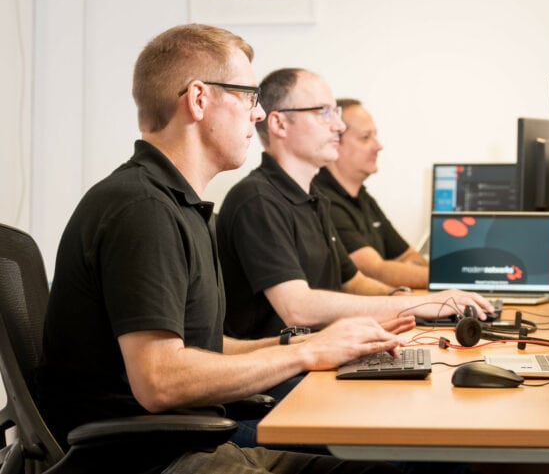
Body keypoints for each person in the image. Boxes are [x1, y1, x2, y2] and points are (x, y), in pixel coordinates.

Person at [35, 24, 408, 474]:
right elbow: (160, 381)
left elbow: (204, 348)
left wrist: (316, 343)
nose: (256, 114)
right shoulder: (142, 208)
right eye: (248, 96)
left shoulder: (183, 205)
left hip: (190, 440)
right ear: (198, 99)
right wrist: (304, 354)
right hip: (150, 458)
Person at [216, 67, 494, 343]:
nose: (338, 126)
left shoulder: (313, 197)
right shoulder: (258, 200)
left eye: (335, 113)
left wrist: (411, 303)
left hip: (326, 352)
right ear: (279, 124)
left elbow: (354, 281)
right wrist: (420, 305)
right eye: (323, 112)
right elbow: (297, 308)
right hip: (283, 374)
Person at [314, 98, 429, 289]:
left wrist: (403, 271)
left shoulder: (363, 198)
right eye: (365, 137)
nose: (378, 146)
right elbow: (374, 272)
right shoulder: (323, 202)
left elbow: (411, 256)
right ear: (335, 142)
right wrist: (454, 278)